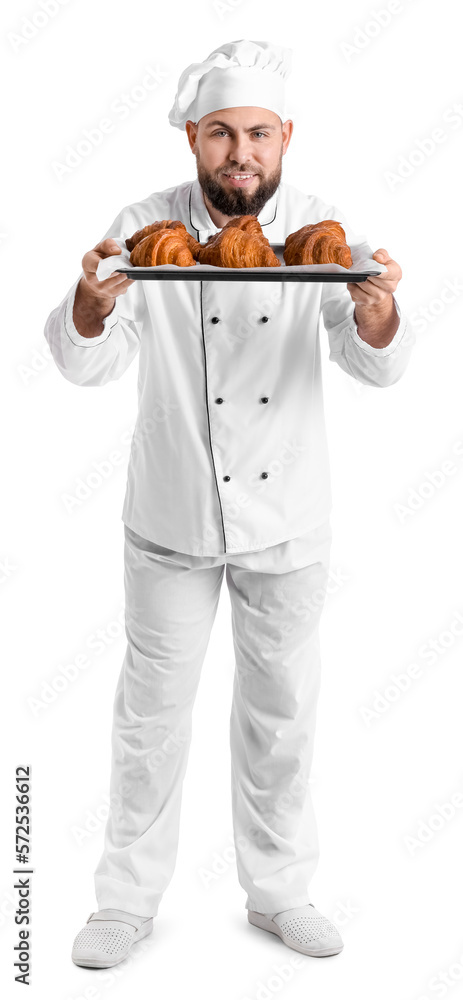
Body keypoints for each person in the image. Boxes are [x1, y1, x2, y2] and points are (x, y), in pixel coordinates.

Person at [44, 38, 415, 968]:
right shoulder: (141, 225)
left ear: (284, 137)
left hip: (288, 515)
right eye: (220, 134)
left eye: (256, 133)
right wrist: (89, 304)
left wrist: (375, 312)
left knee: (281, 712)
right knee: (149, 715)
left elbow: (375, 362)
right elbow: (85, 358)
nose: (239, 153)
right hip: (169, 516)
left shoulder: (321, 232)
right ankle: (125, 901)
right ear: (192, 142)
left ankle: (281, 892)